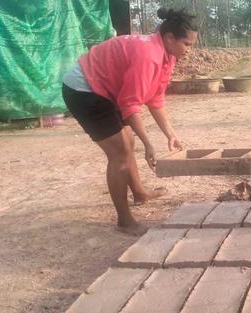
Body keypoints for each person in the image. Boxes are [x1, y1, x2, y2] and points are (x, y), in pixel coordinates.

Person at [61, 8, 198, 236]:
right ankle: (124, 220)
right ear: (170, 38)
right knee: (120, 152)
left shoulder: (167, 56)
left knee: (127, 143)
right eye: (187, 44)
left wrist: (170, 134)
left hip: (104, 89)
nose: (189, 51)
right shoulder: (148, 55)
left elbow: (155, 98)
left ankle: (140, 193)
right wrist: (149, 143)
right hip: (84, 89)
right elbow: (130, 104)